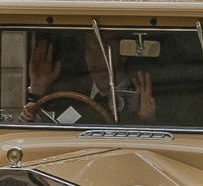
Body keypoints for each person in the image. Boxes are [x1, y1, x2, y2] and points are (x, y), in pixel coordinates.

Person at [19, 32, 157, 124]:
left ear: (123, 52)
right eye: (89, 48)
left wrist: (148, 119)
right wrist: (36, 95)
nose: (95, 56)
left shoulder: (144, 94)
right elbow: (58, 131)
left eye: (102, 48)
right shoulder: (72, 93)